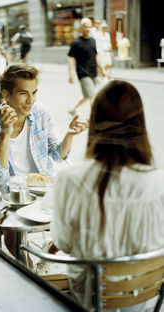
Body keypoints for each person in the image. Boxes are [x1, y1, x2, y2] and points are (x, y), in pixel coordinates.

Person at [50, 80, 164, 311]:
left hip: (89, 301)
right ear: (139, 124)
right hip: (147, 302)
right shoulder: (159, 183)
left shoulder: (70, 179)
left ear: (95, 123)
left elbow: (63, 243)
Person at [0, 63, 89, 264]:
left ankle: (50, 252)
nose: (31, 100)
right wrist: (4, 132)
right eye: (23, 93)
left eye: (34, 92)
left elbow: (57, 155)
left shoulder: (41, 113)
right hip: (10, 197)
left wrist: (70, 135)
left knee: (82, 212)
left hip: (43, 191)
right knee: (11, 233)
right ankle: (31, 275)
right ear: (6, 94)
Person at [68, 18, 107, 116]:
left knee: (87, 96)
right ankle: (95, 120)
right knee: (93, 95)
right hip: (83, 73)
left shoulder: (93, 41)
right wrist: (71, 74)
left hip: (93, 72)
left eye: (89, 26)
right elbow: (71, 59)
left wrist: (103, 70)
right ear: (81, 28)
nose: (87, 29)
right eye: (85, 26)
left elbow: (96, 56)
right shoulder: (76, 43)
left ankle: (72, 109)